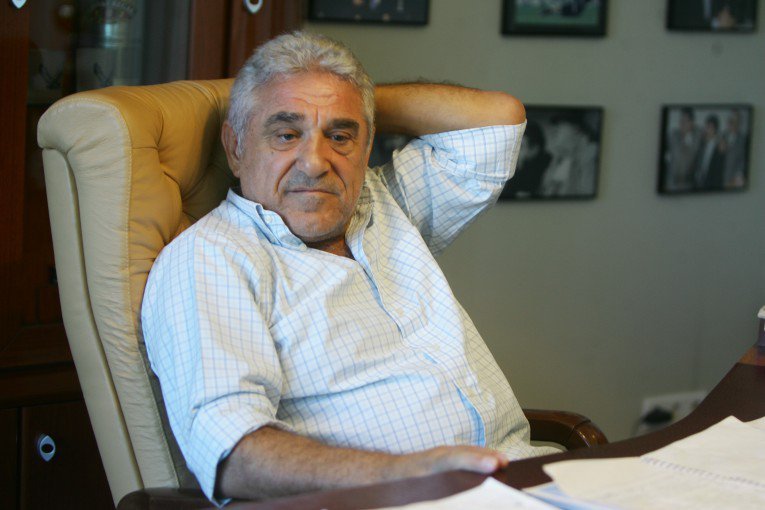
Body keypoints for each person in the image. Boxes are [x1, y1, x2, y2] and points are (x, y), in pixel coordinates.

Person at [141, 31, 556, 505]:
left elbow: (498, 122)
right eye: (286, 134)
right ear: (236, 148)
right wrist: (408, 474)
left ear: (366, 145)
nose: (314, 163)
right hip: (400, 498)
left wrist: (354, 98)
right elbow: (234, 454)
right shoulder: (212, 258)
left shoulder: (384, 201)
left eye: (340, 137)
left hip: (525, 478)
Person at [665, 108, 701, 192]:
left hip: (688, 184)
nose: (682, 124)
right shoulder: (673, 135)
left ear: (691, 123)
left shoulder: (697, 136)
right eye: (681, 121)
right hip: (672, 183)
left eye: (685, 121)